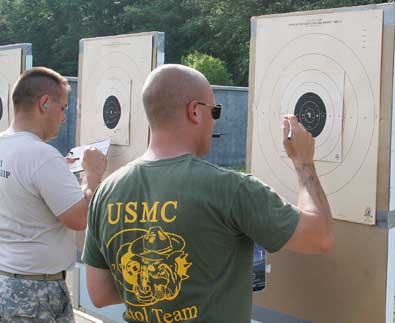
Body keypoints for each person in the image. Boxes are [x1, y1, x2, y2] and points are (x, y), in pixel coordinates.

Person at [82, 64, 334, 323]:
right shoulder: (231, 189)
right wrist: (303, 161)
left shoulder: (106, 193)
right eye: (215, 111)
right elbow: (319, 236)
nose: (214, 121)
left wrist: (153, 288)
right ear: (194, 111)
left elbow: (99, 293)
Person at [0, 67, 107, 322]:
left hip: (8, 280)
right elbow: (79, 219)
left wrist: (61, 172)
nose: (63, 118)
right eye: (63, 108)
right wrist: (91, 174)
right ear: (45, 103)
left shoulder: (6, 144)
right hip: (35, 291)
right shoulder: (41, 156)